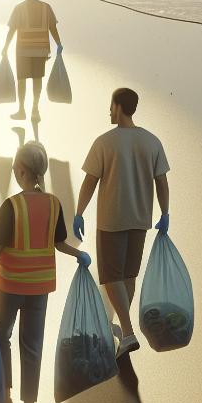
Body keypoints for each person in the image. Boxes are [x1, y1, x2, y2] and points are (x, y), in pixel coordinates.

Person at [0, 141, 91, 403]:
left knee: (2, 337)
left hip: (10, 284)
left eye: (14, 168)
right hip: (38, 287)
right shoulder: (53, 204)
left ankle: (6, 395)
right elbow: (59, 243)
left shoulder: (11, 206)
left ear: (22, 170)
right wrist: (79, 255)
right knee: (32, 348)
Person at [73, 88, 170, 358]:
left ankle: (126, 333)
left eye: (111, 105)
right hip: (141, 219)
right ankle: (116, 327)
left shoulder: (105, 142)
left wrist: (79, 212)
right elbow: (161, 181)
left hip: (112, 219)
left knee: (111, 277)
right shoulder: (151, 142)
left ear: (118, 107)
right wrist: (165, 213)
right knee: (128, 276)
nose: (109, 110)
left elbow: (90, 181)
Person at [2, 0, 62, 123]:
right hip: (40, 49)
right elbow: (53, 28)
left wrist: (5, 47)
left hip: (22, 49)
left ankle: (22, 110)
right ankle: (35, 109)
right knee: (37, 79)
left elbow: (12, 30)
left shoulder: (19, 8)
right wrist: (59, 43)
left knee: (21, 80)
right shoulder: (46, 7)